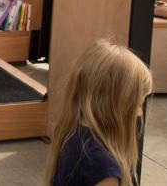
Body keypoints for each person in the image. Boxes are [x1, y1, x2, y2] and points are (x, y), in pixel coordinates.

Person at [45, 40, 152, 186]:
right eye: (137, 105)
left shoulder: (71, 133)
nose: (139, 113)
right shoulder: (104, 169)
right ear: (113, 107)